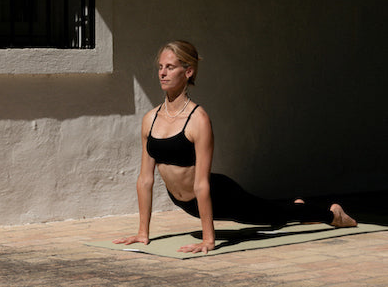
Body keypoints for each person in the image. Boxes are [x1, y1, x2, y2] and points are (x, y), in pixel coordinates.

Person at [114, 40, 357, 254]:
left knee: (271, 217)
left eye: (170, 67)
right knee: (274, 214)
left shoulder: (198, 119)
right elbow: (145, 180)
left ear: (188, 71)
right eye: (160, 67)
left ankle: (333, 215)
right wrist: (142, 233)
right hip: (185, 203)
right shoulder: (150, 118)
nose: (162, 73)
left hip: (221, 196)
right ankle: (298, 209)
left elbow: (201, 183)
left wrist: (209, 239)